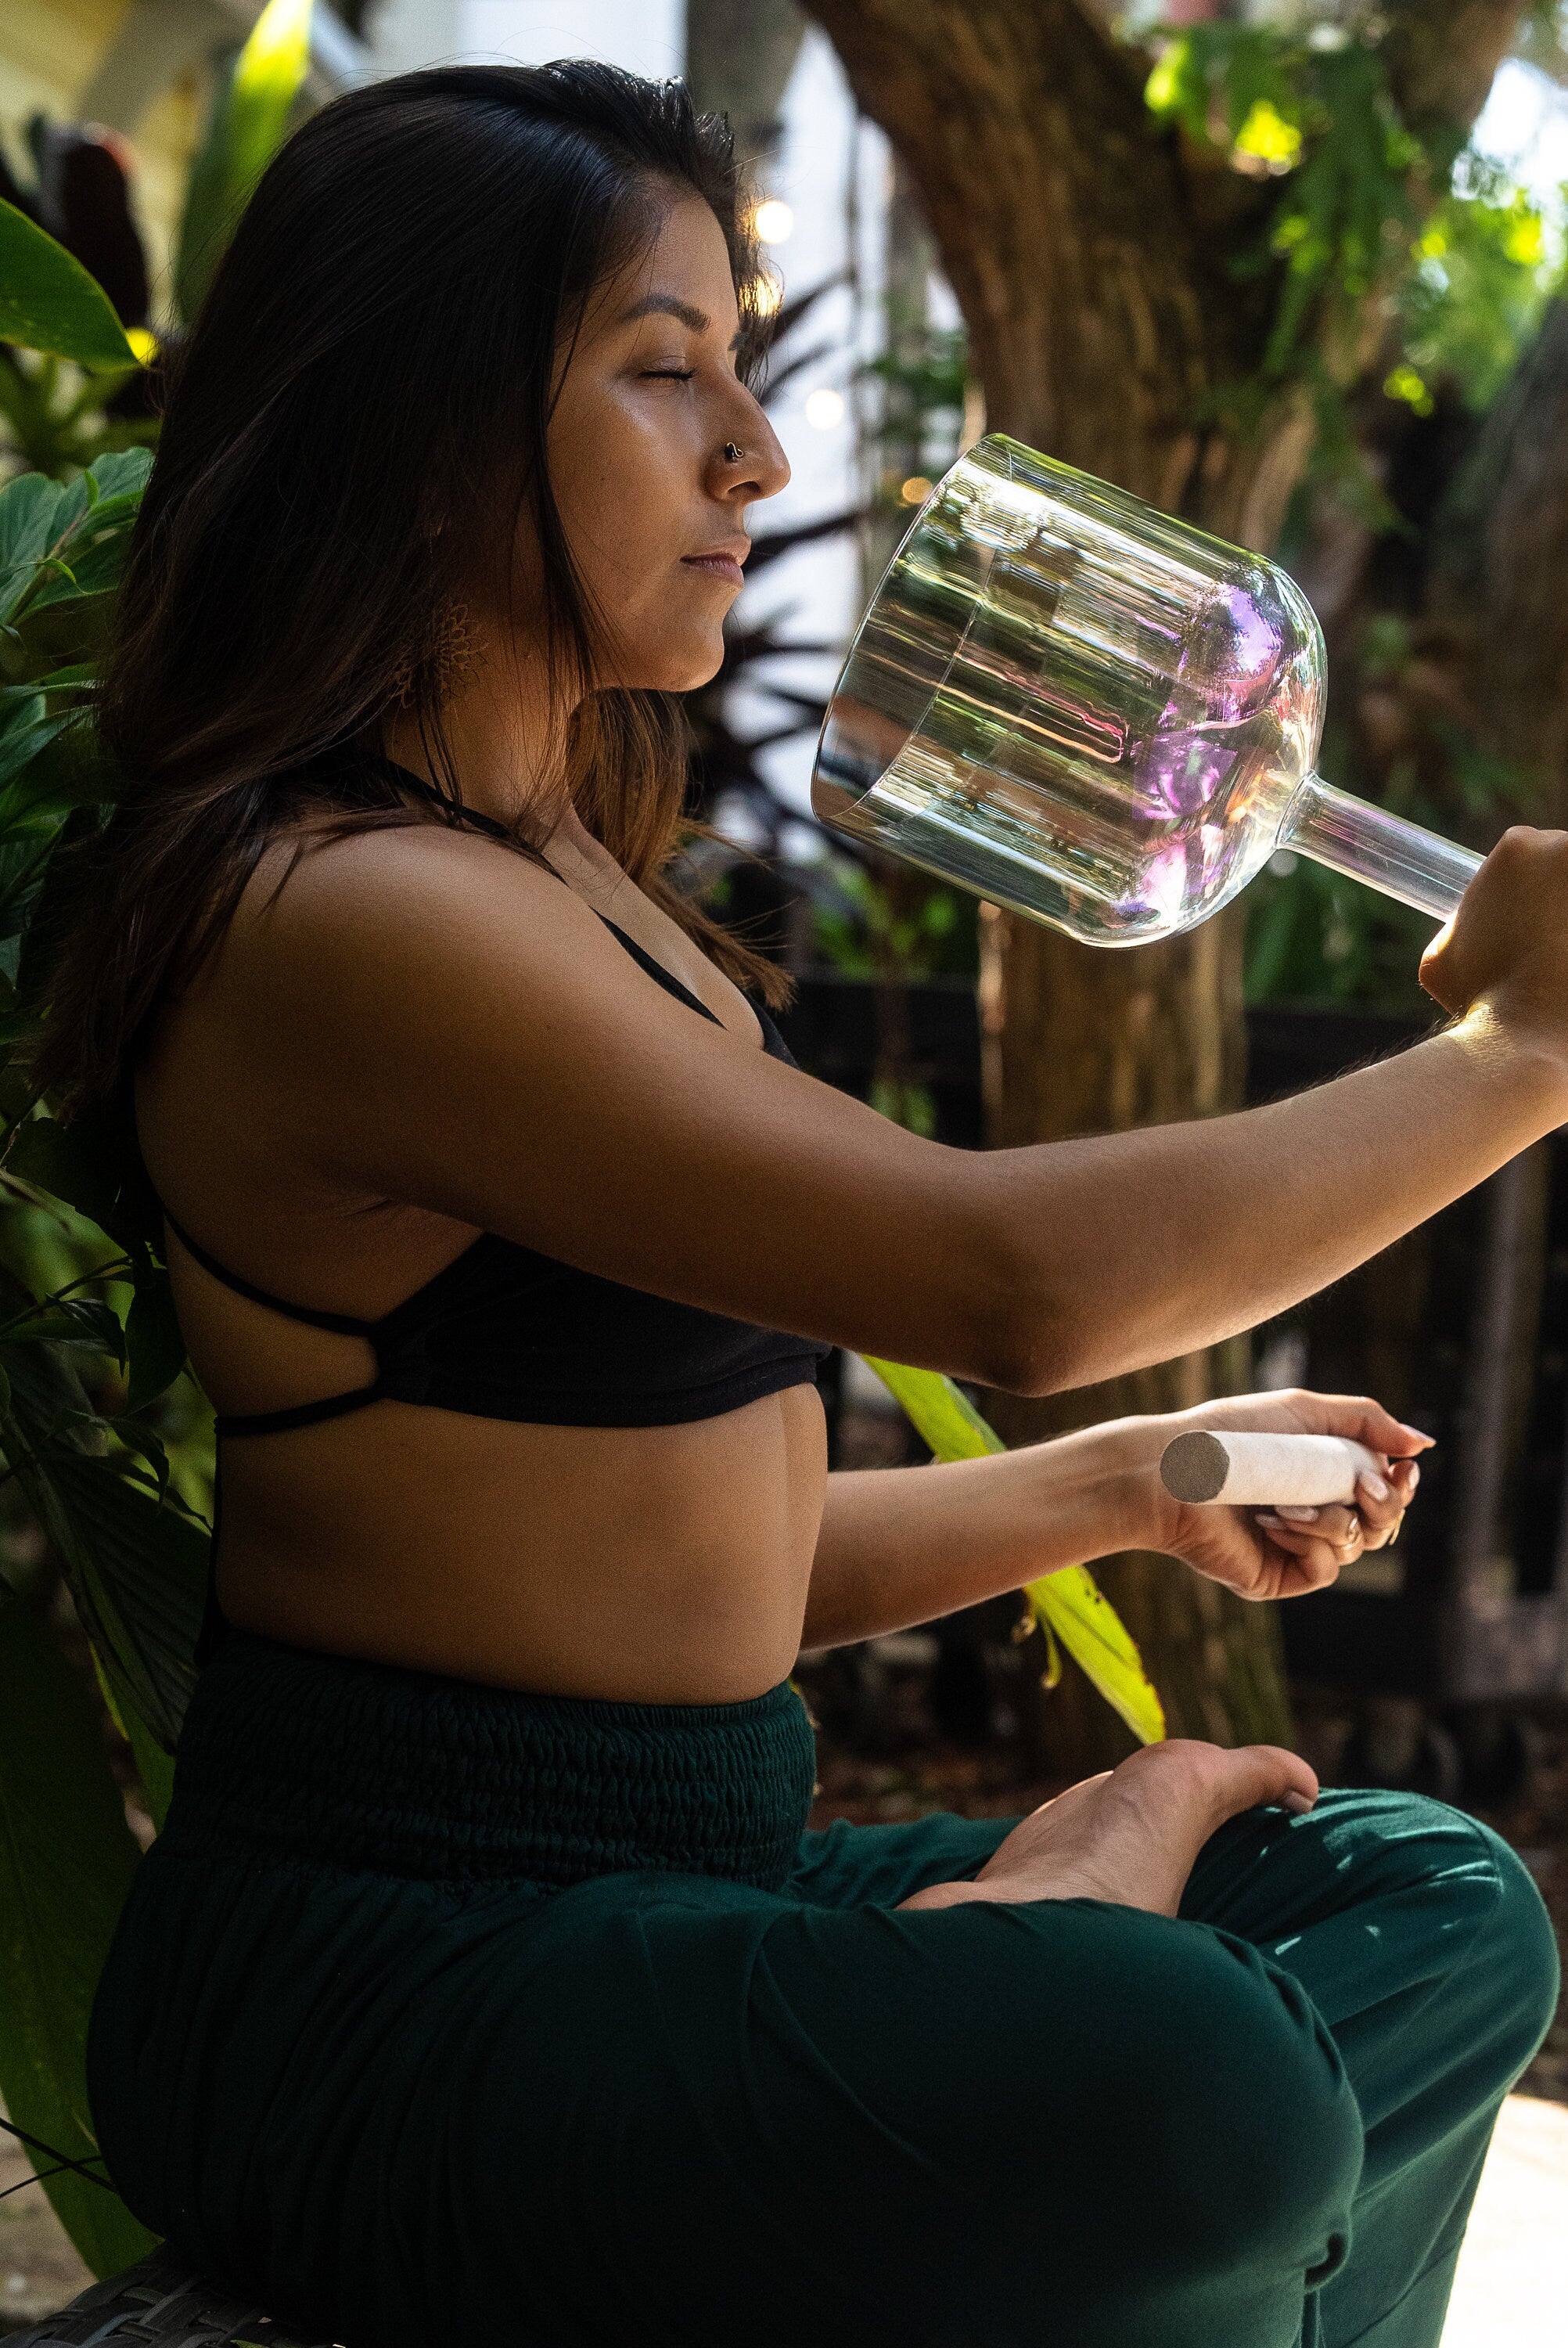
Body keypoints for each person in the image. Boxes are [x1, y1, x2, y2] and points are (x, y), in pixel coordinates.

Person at [52, 61, 1558, 2348]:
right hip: (404, 1981)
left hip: (681, 1887)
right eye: (666, 374)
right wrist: (1519, 1058)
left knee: (1431, 1906)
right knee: (1190, 2092)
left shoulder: (563, 884)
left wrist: (1130, 1494)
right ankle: (1058, 1925)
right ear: (422, 417)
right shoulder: (341, 914)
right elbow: (1009, 1276)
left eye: (743, 371)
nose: (755, 451)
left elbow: (678, 1562)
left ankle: (1057, 2000)